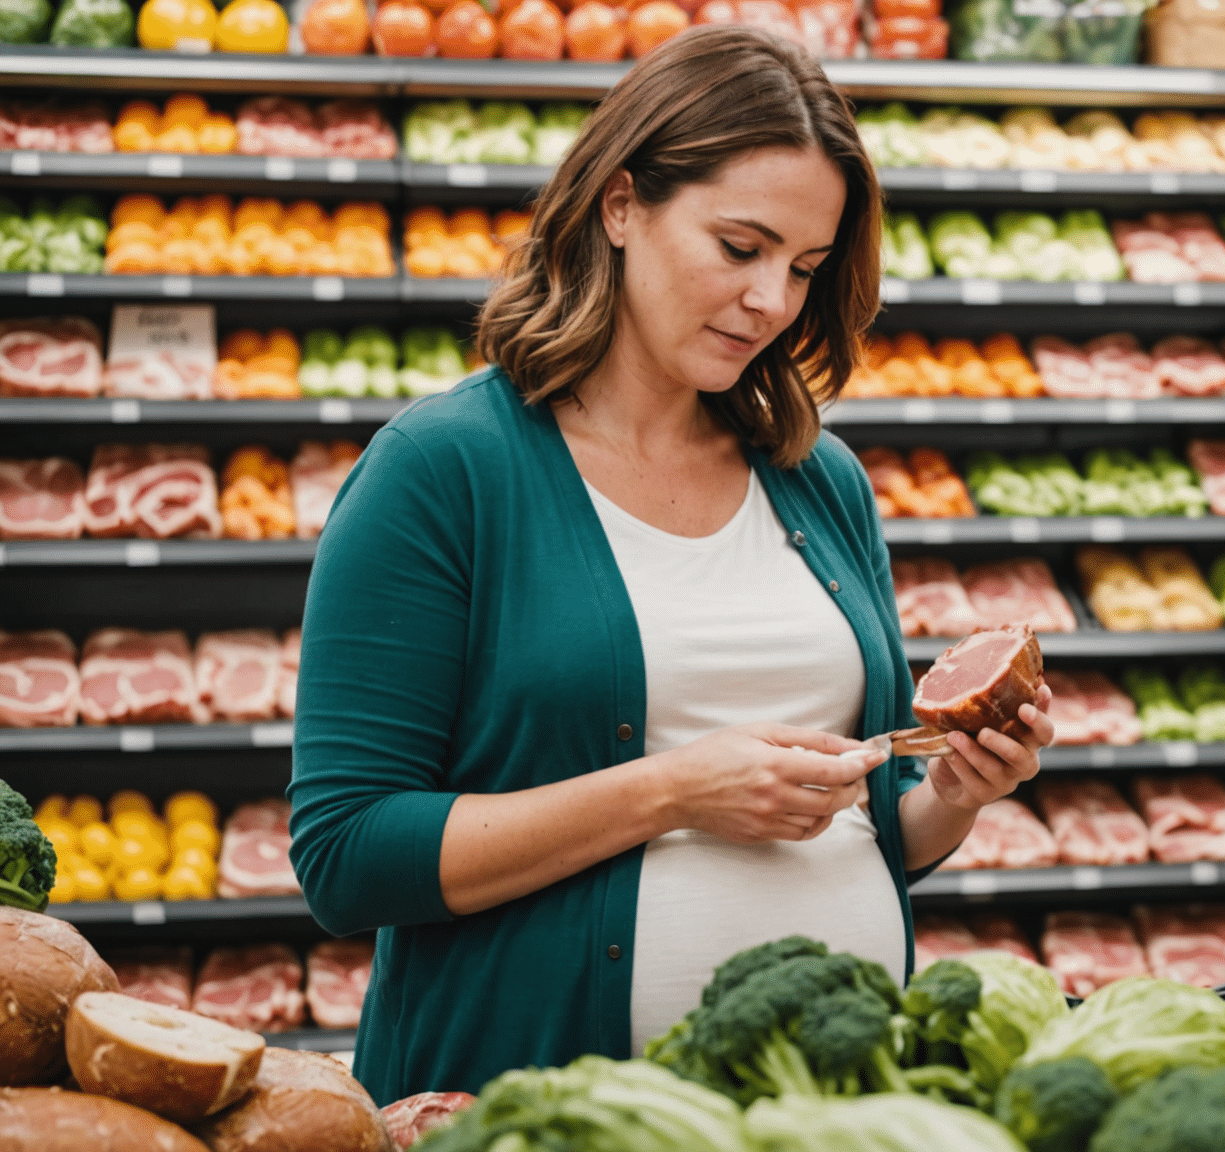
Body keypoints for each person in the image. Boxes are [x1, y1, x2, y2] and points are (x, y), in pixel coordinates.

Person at [288, 25, 1053, 1102]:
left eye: (806, 268)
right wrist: (673, 792)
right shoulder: (443, 471)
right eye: (740, 248)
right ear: (620, 204)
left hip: (825, 1111)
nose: (773, 303)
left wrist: (957, 799)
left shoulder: (816, 476)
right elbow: (348, 854)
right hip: (552, 1107)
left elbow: (867, 830)